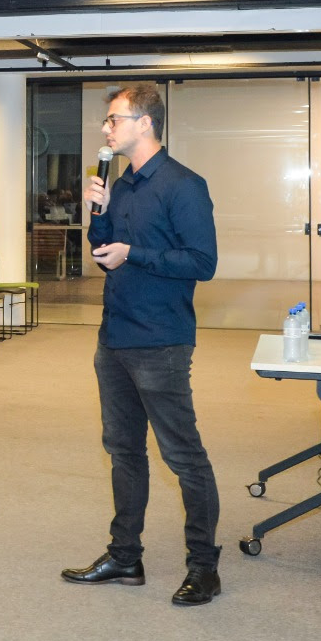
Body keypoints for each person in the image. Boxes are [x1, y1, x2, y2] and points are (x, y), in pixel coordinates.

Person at [61, 83, 222, 607]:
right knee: (123, 452)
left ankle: (203, 566)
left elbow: (202, 263)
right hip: (115, 338)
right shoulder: (121, 184)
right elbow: (103, 250)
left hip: (161, 341)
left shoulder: (184, 185)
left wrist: (136, 252)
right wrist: (100, 214)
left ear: (145, 123)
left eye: (113, 119)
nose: (106, 129)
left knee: (183, 457)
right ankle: (125, 557)